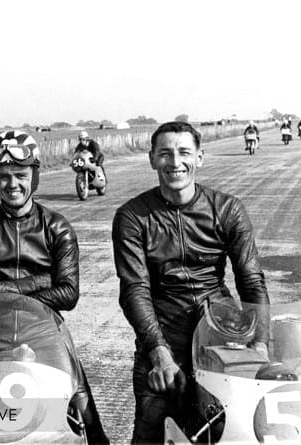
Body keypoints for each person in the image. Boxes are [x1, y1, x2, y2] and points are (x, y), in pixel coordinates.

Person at [112, 121, 270, 444]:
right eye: (165, 153)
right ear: (152, 159)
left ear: (200, 158)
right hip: (161, 334)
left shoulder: (227, 209)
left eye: (184, 152)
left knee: (233, 431)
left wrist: (261, 344)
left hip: (221, 336)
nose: (175, 162)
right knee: (151, 431)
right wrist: (159, 353)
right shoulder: (131, 217)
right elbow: (134, 290)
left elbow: (251, 281)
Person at [0, 130, 109, 444]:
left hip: (44, 332)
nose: (12, 184)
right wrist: (39, 282)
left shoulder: (57, 227)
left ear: (34, 177)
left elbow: (68, 293)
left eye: (20, 175)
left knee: (85, 418)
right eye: (4, 176)